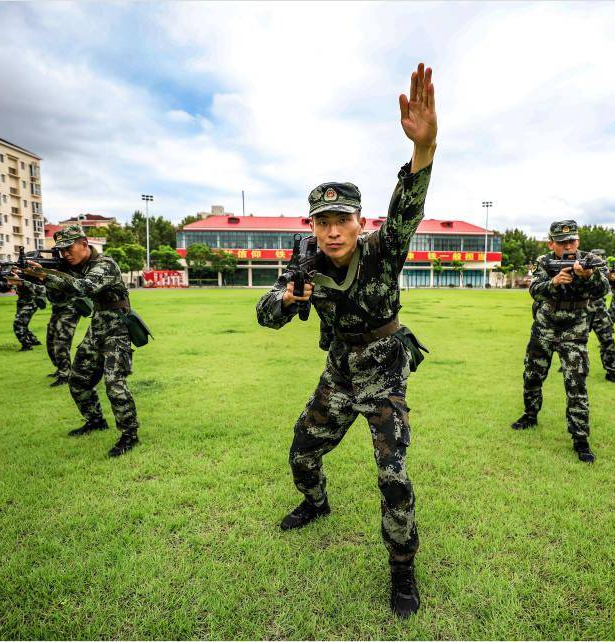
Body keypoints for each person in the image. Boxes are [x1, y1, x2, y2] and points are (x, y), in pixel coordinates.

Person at [255, 62, 436, 618]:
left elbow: (408, 207)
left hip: (384, 370)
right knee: (301, 450)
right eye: (322, 221)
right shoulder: (304, 263)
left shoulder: (383, 250)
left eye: (342, 219)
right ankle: (316, 503)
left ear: (360, 221)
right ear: (311, 226)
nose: (332, 230)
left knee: (392, 475)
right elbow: (266, 314)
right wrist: (289, 299)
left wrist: (423, 149)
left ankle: (402, 571)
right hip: (339, 371)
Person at [19, 224, 139, 457]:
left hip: (117, 330)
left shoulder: (105, 264)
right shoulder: (76, 268)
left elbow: (85, 288)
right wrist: (35, 277)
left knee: (114, 383)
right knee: (77, 380)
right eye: (61, 250)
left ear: (84, 244)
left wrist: (47, 275)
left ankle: (129, 434)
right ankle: (95, 420)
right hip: (97, 330)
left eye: (68, 248)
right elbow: (58, 296)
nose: (65, 254)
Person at [512, 221, 609, 463]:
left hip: (575, 331)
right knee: (532, 375)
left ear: (578, 241)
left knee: (576, 384)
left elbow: (603, 290)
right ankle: (530, 415)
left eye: (572, 241)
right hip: (544, 327)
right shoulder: (544, 262)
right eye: (562, 242)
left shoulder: (591, 261)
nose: (568, 246)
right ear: (551, 244)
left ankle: (580, 439)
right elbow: (534, 290)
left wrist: (587, 277)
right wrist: (554, 283)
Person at [587, 249, 615, 383]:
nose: (600, 260)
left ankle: (611, 371)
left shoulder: (604, 270)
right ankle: (566, 364)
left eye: (601, 257)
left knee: (608, 342)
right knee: (573, 341)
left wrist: (613, 278)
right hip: (582, 311)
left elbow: (611, 282)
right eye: (598, 257)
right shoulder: (580, 267)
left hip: (600, 312)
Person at [44, 285, 83, 387]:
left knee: (61, 342)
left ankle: (65, 375)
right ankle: (61, 368)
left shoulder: (63, 275)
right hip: (57, 308)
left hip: (70, 308)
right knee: (50, 341)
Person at [11, 279, 45, 351]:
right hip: (22, 303)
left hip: (31, 303)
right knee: (23, 324)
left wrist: (21, 282)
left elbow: (39, 287)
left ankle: (26, 345)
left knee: (18, 323)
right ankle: (33, 340)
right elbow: (4, 288)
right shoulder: (16, 279)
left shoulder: (29, 278)